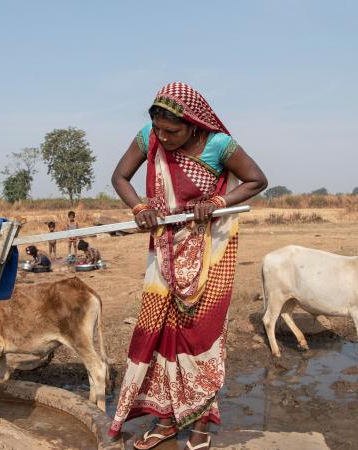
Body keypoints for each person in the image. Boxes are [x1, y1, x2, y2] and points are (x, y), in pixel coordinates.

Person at [108, 82, 267, 449]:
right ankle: (166, 419)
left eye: (173, 131)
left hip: (212, 249)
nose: (164, 138)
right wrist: (139, 208)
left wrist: (218, 201)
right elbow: (120, 177)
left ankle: (201, 424)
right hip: (164, 247)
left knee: (201, 334)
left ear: (194, 124)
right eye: (159, 130)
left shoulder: (219, 145)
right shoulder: (148, 136)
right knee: (161, 331)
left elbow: (257, 180)